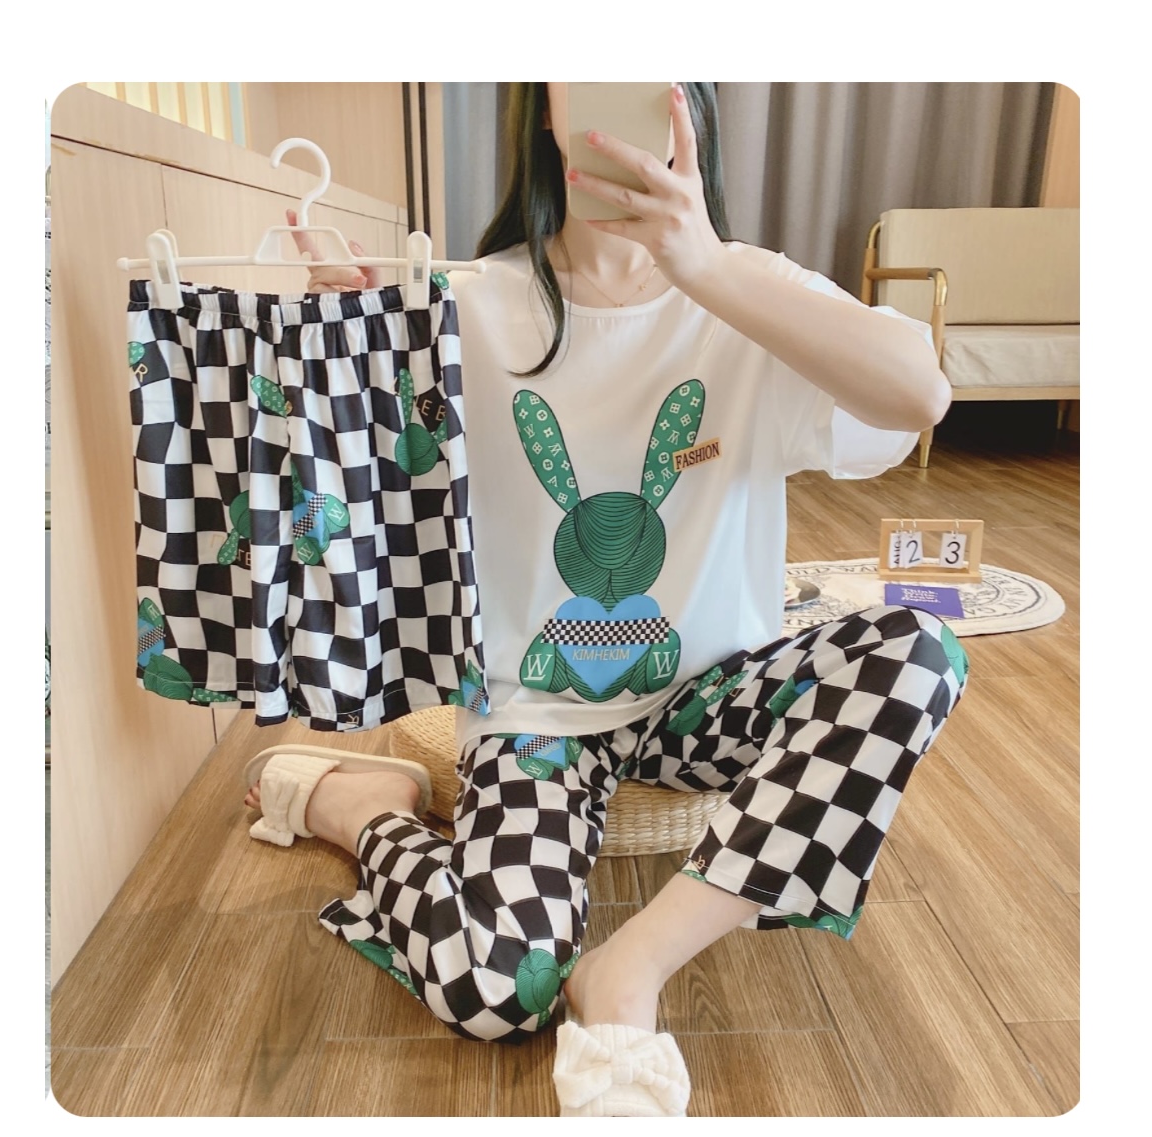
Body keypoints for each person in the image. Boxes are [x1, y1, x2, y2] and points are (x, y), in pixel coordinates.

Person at [244, 82, 967, 1116]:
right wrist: (344, 343)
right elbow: (358, 493)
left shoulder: (751, 291)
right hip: (534, 714)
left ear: (691, 109)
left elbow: (920, 393)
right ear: (543, 108)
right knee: (496, 988)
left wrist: (704, 266)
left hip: (711, 695)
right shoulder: (465, 301)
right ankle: (361, 811)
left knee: (918, 653)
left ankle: (628, 971)